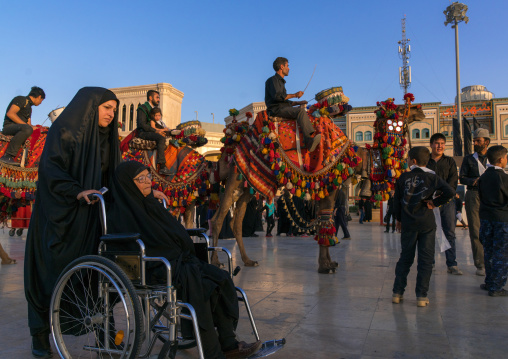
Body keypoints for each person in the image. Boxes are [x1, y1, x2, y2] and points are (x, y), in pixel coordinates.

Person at [107, 161, 262, 359]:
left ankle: (229, 344)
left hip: (176, 262)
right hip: (154, 266)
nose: (148, 182)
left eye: (148, 177)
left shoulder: (149, 203)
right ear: (127, 184)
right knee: (201, 287)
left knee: (219, 279)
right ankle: (214, 353)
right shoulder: (121, 213)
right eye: (141, 179)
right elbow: (140, 246)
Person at [24, 87, 121, 359]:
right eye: (107, 108)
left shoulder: (107, 139)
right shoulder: (64, 131)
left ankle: (106, 337)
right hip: (60, 217)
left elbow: (115, 175)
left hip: (92, 218)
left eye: (114, 110)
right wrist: (75, 190)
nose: (112, 115)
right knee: (49, 275)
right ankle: (40, 336)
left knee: (98, 276)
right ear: (91, 108)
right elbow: (51, 170)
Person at [392, 146, 454, 307]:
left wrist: (398, 219)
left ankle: (397, 293)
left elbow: (396, 201)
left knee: (405, 258)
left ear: (413, 161)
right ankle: (421, 296)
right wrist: (434, 203)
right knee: (425, 260)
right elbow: (450, 192)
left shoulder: (403, 177)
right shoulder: (433, 177)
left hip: (408, 223)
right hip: (427, 223)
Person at [265, 57, 321, 152]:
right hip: (276, 109)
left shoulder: (280, 82)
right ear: (282, 67)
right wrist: (295, 95)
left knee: (301, 109)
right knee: (301, 112)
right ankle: (309, 141)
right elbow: (278, 97)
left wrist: (298, 102)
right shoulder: (272, 80)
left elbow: (284, 100)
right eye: (287, 66)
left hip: (282, 107)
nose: (289, 68)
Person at [426, 133, 462, 275]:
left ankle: (451, 264)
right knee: (429, 233)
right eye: (436, 143)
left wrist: (443, 195)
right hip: (429, 203)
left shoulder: (450, 162)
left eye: (442, 143)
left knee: (449, 232)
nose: (439, 146)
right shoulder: (426, 161)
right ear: (431, 144)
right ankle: (430, 262)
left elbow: (453, 181)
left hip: (446, 202)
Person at [459, 128, 491, 276]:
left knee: (494, 227)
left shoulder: (494, 157)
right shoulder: (469, 159)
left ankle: (493, 260)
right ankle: (480, 263)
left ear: (486, 142)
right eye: (475, 141)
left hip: (492, 195)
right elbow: (463, 178)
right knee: (476, 230)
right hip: (474, 194)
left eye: (478, 141)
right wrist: (474, 181)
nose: (475, 143)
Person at [478, 145, 508, 297]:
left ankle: (489, 281)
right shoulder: (504, 177)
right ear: (501, 159)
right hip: (501, 219)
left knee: (488, 251)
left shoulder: (483, 177)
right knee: (501, 253)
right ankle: (496, 286)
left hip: (485, 218)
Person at [0, 86, 45, 166]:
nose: (41, 103)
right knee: (28, 129)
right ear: (39, 97)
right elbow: (10, 114)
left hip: (22, 128)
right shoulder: (21, 99)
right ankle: (8, 156)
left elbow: (29, 125)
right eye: (41, 100)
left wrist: (38, 128)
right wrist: (28, 127)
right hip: (9, 127)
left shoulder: (29, 108)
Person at [137, 90, 172, 175]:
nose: (159, 100)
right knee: (160, 138)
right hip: (143, 133)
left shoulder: (154, 110)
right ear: (150, 98)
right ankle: (162, 166)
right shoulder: (143, 108)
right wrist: (156, 131)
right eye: (157, 97)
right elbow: (142, 124)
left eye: (159, 98)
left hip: (152, 131)